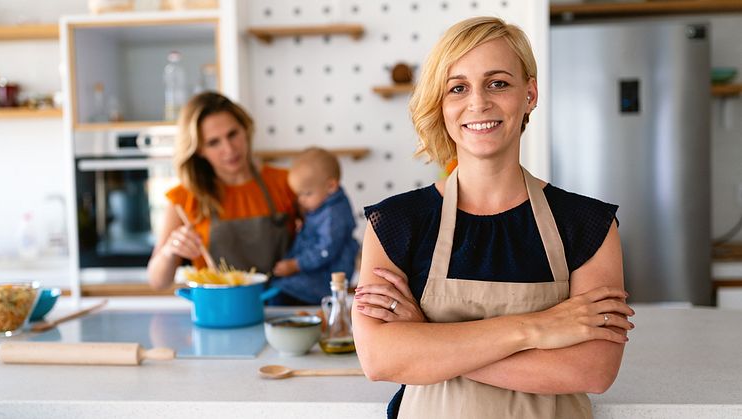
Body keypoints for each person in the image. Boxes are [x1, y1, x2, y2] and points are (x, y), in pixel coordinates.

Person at [351, 16, 634, 419]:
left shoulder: (588, 225)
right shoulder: (396, 224)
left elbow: (592, 371)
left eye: (498, 83)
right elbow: (380, 360)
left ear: (530, 94)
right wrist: (537, 329)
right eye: (458, 88)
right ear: (442, 103)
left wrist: (431, 344)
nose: (478, 102)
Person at [148, 92, 297, 290]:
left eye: (232, 134)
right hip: (219, 313)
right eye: (213, 142)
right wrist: (170, 251)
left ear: (246, 129)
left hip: (284, 311)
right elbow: (157, 281)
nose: (229, 149)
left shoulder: (286, 182)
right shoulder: (184, 197)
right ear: (199, 149)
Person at [270, 147, 360, 305]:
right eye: (299, 194)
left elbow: (325, 250)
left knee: (281, 296)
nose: (301, 200)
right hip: (313, 271)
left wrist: (296, 265)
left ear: (331, 186)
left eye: (307, 193)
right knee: (277, 292)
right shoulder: (322, 207)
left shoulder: (333, 214)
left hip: (324, 276)